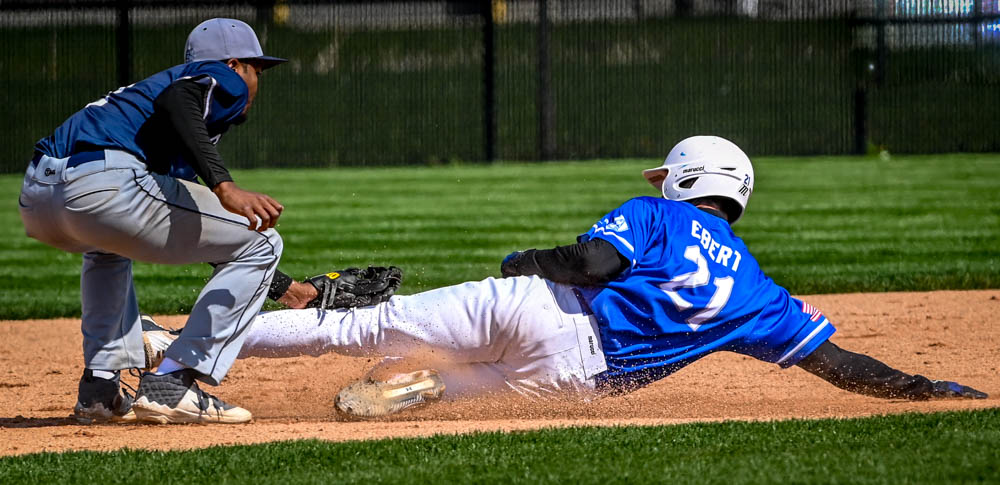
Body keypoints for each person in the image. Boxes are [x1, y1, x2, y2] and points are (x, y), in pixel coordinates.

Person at [145, 136, 987, 418]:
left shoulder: (659, 214)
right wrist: (924, 387)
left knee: (357, 325)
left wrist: (524, 262)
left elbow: (592, 264)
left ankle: (172, 346)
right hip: (579, 380)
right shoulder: (763, 297)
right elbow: (840, 365)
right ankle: (430, 390)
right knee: (469, 390)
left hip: (544, 307)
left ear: (688, 180)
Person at [18, 18, 295, 424]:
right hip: (103, 181)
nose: (257, 80)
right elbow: (180, 98)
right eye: (257, 69)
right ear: (234, 64)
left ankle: (100, 390)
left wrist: (288, 288)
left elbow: (196, 229)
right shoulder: (218, 78)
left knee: (108, 251)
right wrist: (225, 185)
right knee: (264, 243)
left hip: (39, 196)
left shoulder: (151, 114)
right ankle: (174, 382)